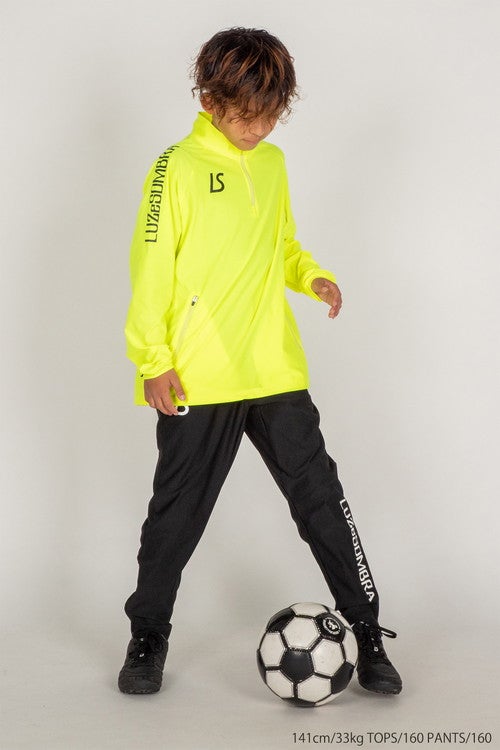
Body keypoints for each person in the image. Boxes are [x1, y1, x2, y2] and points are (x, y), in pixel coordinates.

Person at [119, 27, 402, 697]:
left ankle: (367, 633)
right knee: (175, 517)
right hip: (198, 374)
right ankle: (147, 635)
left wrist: (312, 277)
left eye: (270, 114)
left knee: (322, 503)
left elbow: (282, 245)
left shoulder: (271, 164)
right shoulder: (174, 168)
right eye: (246, 114)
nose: (258, 127)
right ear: (210, 99)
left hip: (274, 369)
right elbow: (150, 269)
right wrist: (153, 360)